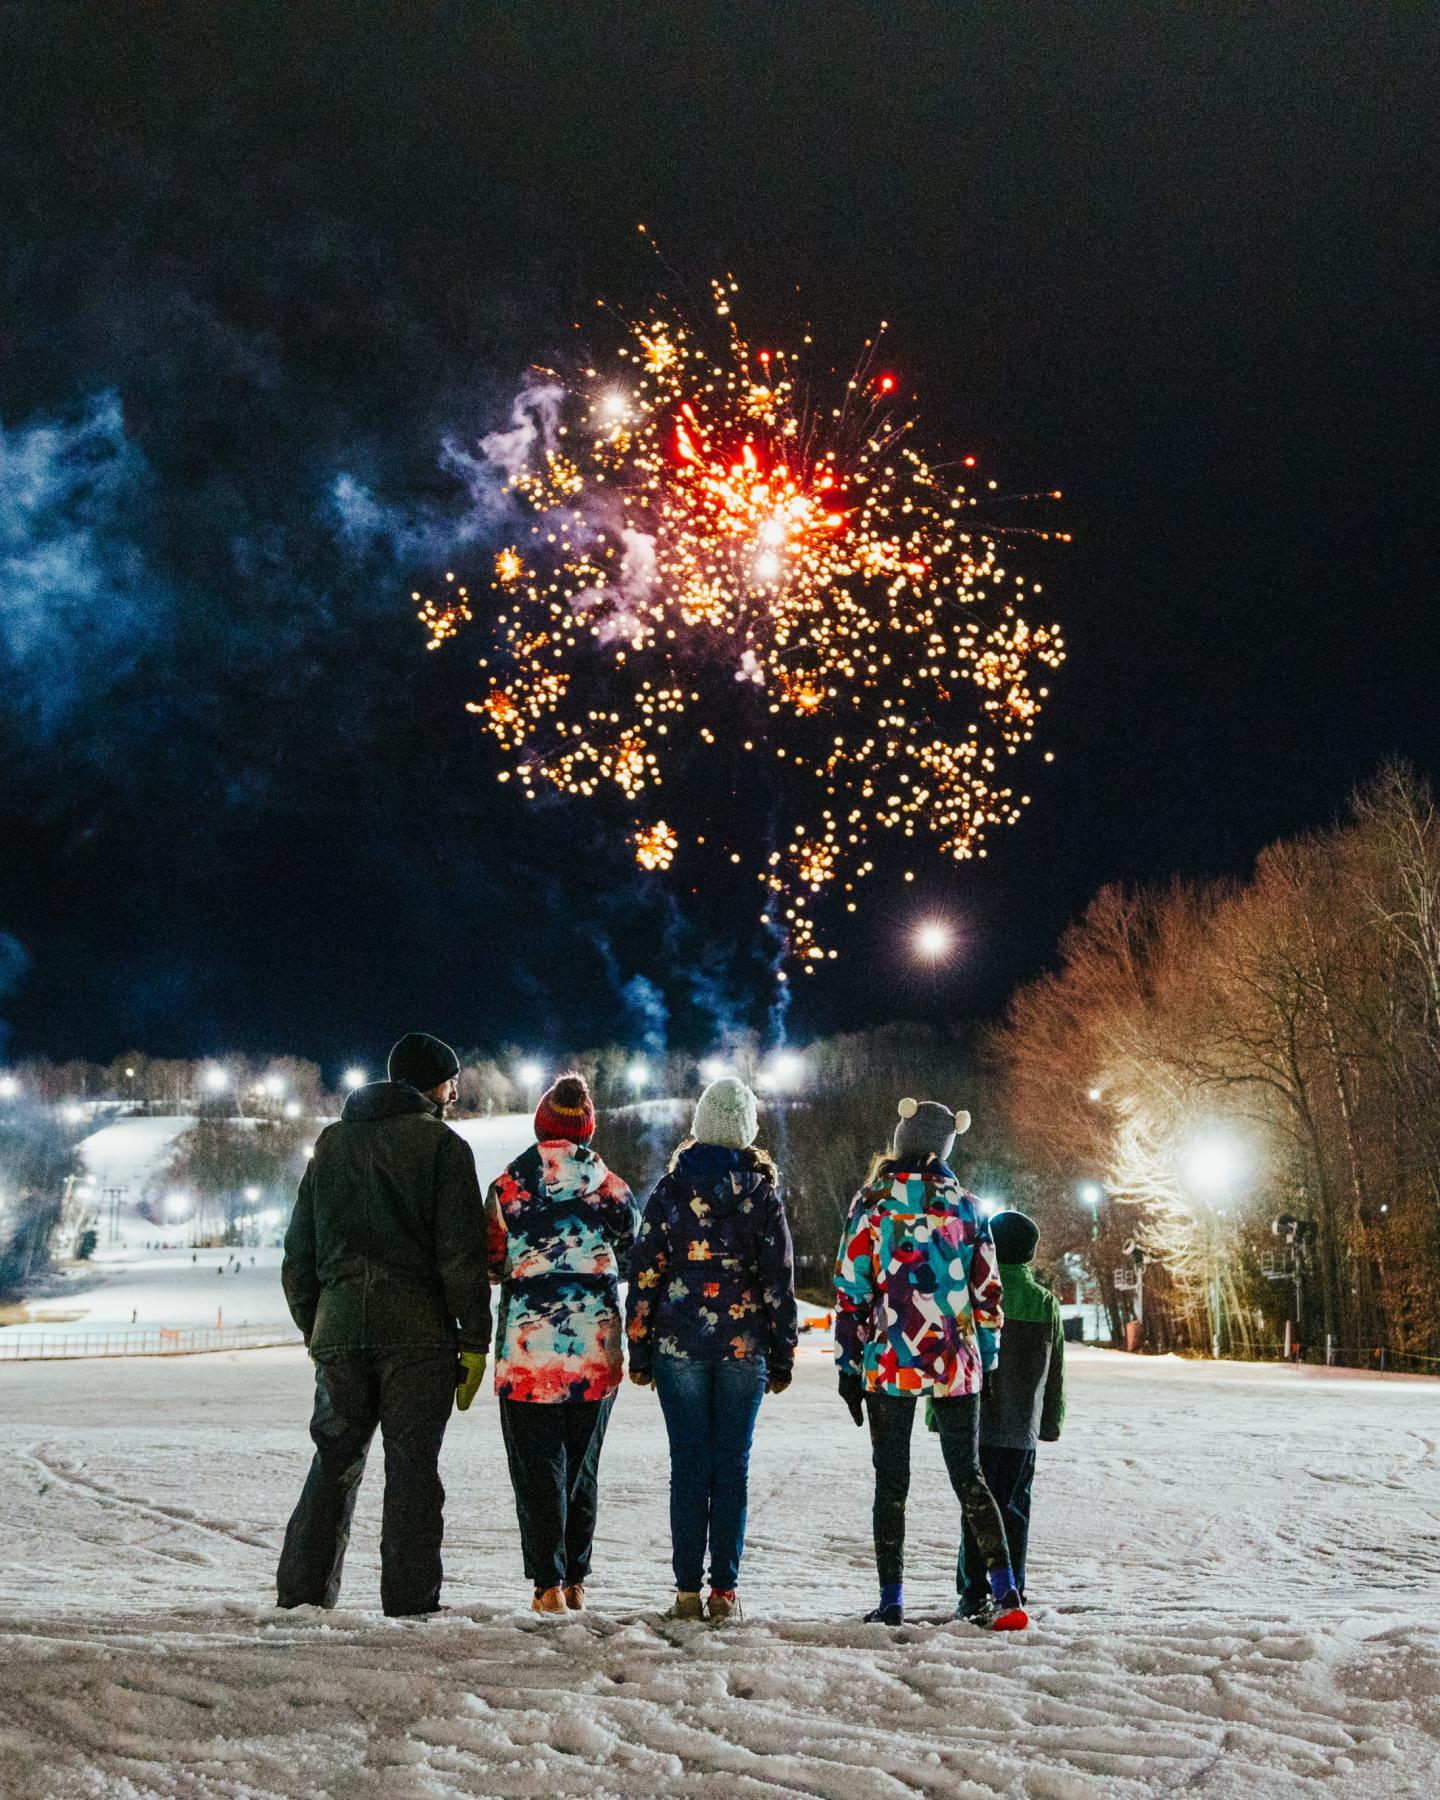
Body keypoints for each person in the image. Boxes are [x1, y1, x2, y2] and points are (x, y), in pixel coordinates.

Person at [277, 1031, 490, 1618]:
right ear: (435, 1084)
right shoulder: (445, 1148)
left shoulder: (331, 1143)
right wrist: (475, 1341)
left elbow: (299, 1255)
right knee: (413, 1469)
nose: (455, 1090)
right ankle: (411, 1603)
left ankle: (301, 1596)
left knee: (332, 1463)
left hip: (341, 1333)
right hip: (419, 1340)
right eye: (451, 1079)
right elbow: (461, 1259)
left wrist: (319, 1327)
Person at [833, 1097, 1027, 1631]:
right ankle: (1007, 1593)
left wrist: (848, 1365)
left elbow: (851, 1288)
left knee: (891, 1482)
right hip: (953, 1357)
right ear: (945, 1147)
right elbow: (988, 1291)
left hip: (891, 1357)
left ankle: (892, 1599)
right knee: (969, 1477)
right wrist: (986, 1361)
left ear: (901, 1140)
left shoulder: (873, 1201)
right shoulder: (966, 1205)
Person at [625, 1075, 797, 1623]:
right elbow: (779, 1280)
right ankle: (724, 1591)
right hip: (744, 1346)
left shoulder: (669, 1191)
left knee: (689, 1466)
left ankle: (684, 1591)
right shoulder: (761, 1195)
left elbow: (645, 1273)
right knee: (732, 1467)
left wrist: (640, 1349)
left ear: (699, 1127)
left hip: (679, 1343)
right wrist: (784, 1350)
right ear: (746, 1133)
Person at [486, 1072, 638, 1616]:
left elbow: (492, 1262)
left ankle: (546, 1584)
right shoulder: (612, 1189)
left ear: (539, 1124)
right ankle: (575, 1579)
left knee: (536, 1469)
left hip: (528, 1358)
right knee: (582, 1466)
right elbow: (637, 1253)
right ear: (588, 1130)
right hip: (595, 1356)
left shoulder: (507, 1188)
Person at [957, 1209, 1066, 1618]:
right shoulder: (1044, 1302)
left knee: (976, 1510)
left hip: (976, 1425)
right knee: (1015, 1508)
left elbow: (956, 1356)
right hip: (1023, 1428)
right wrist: (1050, 1420)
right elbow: (1055, 1372)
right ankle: (1013, 1585)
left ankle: (973, 1591)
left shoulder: (973, 1295)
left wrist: (939, 1415)